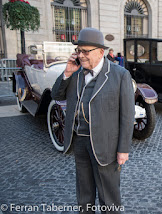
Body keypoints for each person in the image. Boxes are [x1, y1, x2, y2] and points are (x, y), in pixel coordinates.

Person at [51, 27, 135, 213]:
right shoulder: (75, 72)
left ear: (101, 52)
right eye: (78, 51)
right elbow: (56, 95)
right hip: (80, 140)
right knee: (84, 194)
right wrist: (66, 72)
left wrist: (123, 150)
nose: (81, 56)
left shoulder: (120, 75)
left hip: (106, 145)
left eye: (85, 51)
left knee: (109, 197)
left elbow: (127, 116)